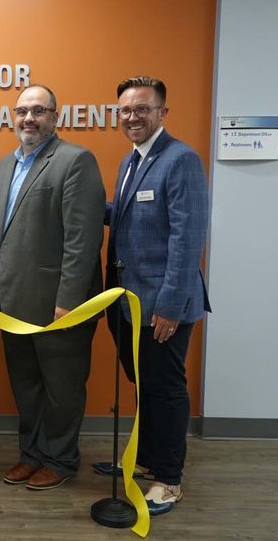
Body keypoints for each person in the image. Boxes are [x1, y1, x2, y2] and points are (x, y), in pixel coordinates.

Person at [93, 76, 210, 516]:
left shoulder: (180, 160)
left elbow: (187, 238)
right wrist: (80, 204)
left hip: (161, 306)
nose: (132, 117)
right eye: (125, 110)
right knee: (143, 385)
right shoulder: (131, 161)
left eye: (142, 108)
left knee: (164, 390)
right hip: (125, 301)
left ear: (163, 113)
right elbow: (124, 215)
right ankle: (145, 460)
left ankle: (169, 479)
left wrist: (169, 305)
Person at [0, 84, 105, 490]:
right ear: (12, 116)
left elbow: (83, 239)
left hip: (59, 304)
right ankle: (32, 454)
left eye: (38, 111)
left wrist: (69, 301)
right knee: (27, 385)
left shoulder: (75, 161)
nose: (28, 119)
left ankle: (60, 458)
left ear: (56, 116)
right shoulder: (5, 165)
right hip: (12, 301)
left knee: (62, 388)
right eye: (21, 111)